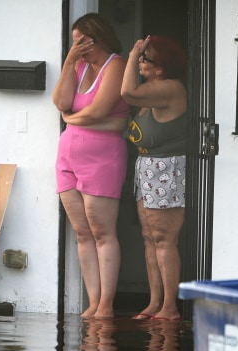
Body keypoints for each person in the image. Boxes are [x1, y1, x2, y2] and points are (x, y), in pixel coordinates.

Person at [52, 13, 131, 319]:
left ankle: (107, 305)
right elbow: (60, 101)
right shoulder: (79, 64)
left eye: (80, 42)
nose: (77, 47)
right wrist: (69, 62)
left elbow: (98, 111)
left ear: (95, 38)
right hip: (68, 158)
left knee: (102, 231)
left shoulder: (117, 64)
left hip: (102, 159)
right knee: (81, 233)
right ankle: (93, 302)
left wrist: (71, 119)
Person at [121, 35, 188, 321]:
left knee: (164, 238)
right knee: (149, 238)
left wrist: (130, 53)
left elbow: (127, 93)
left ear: (160, 67)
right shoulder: (152, 90)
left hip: (166, 168)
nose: (139, 61)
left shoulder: (170, 89)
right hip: (146, 168)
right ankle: (154, 303)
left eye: (144, 58)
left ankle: (170, 307)